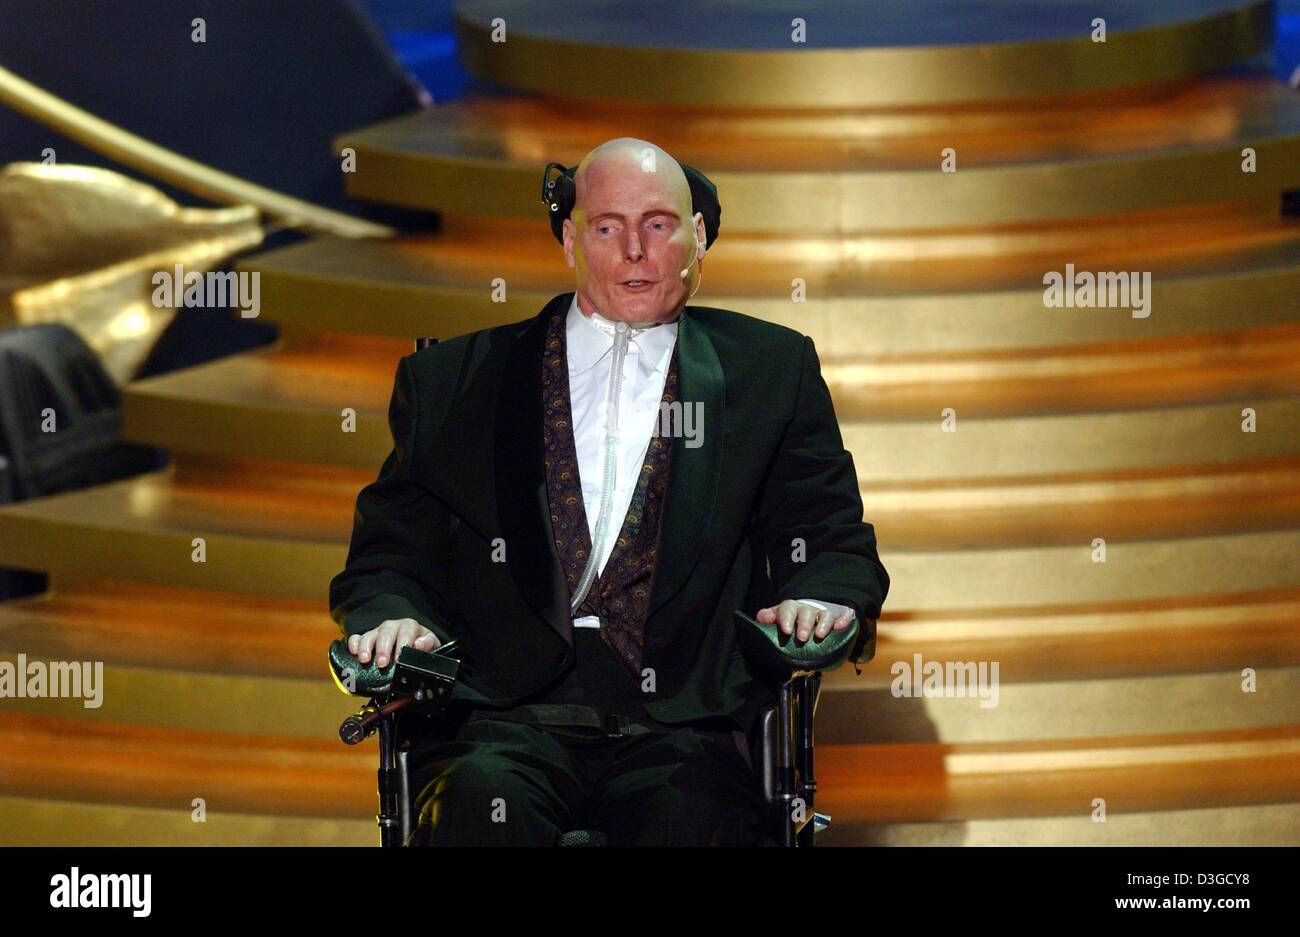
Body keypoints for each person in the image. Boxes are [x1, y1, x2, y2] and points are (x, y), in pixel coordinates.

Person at [329, 137, 889, 845]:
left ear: (699, 237)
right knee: (476, 808)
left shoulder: (771, 371)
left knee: (694, 821)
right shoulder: (458, 380)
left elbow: (830, 534)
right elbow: (387, 555)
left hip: (683, 725)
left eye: (658, 224)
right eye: (606, 227)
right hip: (502, 719)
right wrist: (393, 614)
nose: (634, 249)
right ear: (570, 238)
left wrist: (822, 594)